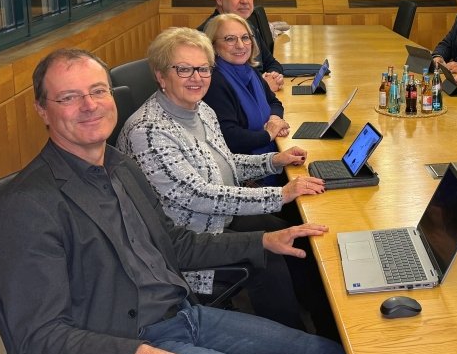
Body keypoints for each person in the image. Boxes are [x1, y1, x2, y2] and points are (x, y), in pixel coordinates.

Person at [0, 48, 364, 354]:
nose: (89, 105)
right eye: (69, 97)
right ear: (42, 110)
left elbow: (175, 244)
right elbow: (36, 336)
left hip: (182, 317)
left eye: (98, 91)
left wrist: (262, 240)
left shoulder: (119, 165)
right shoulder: (26, 206)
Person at [117, 27, 329, 331]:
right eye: (184, 69)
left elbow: (221, 165)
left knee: (298, 237)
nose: (197, 77)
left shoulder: (200, 109)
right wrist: (281, 194)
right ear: (161, 75)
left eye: (203, 68)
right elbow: (200, 195)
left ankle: (327, 327)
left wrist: (273, 160)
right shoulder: (149, 132)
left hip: (219, 220)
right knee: (272, 258)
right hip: (189, 243)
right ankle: (295, 340)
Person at [202, 13, 289, 159]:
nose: (240, 45)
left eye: (245, 37)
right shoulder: (214, 82)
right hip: (245, 166)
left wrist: (274, 120)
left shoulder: (250, 70)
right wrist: (269, 134)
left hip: (268, 154)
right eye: (230, 39)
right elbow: (230, 137)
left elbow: (274, 102)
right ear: (213, 45)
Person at [197, 0, 285, 92]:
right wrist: (262, 86)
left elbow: (271, 63)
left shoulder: (249, 26)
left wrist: (273, 76)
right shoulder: (204, 37)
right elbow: (216, 88)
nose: (244, 1)